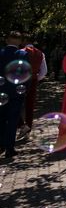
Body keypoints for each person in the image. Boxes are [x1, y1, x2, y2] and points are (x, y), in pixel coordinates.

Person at [0, 31, 31, 159]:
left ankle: (1, 144)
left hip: (1, 90)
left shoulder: (0, 53)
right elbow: (26, 74)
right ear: (19, 42)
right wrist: (25, 90)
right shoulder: (23, 54)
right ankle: (9, 149)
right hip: (16, 92)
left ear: (7, 40)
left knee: (1, 119)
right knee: (13, 120)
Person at [16, 33, 48, 141]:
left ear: (24, 41)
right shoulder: (40, 53)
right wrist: (35, 78)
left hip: (21, 82)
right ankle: (27, 132)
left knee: (15, 105)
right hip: (33, 81)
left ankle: (21, 125)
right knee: (30, 106)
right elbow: (44, 72)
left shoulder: (20, 52)